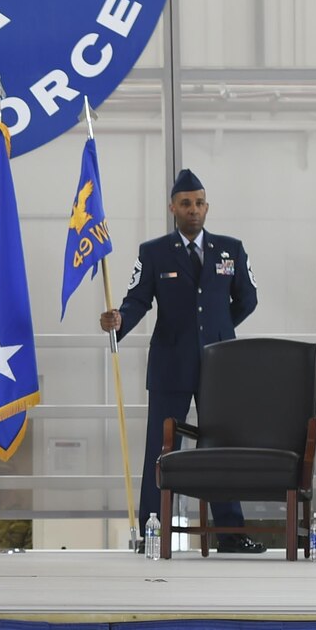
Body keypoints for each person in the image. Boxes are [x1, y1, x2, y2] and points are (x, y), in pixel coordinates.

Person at [98, 168, 265, 552]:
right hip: (171, 363)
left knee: (221, 447)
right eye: (186, 203)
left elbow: (248, 299)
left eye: (200, 203)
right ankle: (152, 531)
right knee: (161, 449)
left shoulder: (230, 249)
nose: (194, 209)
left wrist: (216, 330)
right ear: (172, 207)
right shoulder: (153, 252)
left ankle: (230, 533)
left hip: (220, 366)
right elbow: (137, 299)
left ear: (207, 207)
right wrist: (119, 320)